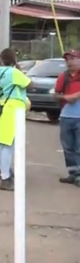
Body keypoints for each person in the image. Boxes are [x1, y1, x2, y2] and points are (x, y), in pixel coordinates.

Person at [0, 48, 30, 191]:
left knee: (2, 144)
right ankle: (5, 178)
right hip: (12, 110)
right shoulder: (14, 73)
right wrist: (18, 68)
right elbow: (29, 84)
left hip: (0, 108)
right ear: (14, 59)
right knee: (9, 145)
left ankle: (3, 172)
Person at [53, 50, 80, 186]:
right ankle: (73, 173)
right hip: (66, 116)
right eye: (67, 59)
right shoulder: (63, 77)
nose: (69, 62)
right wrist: (65, 97)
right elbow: (55, 94)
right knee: (68, 147)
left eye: (72, 58)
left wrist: (77, 95)